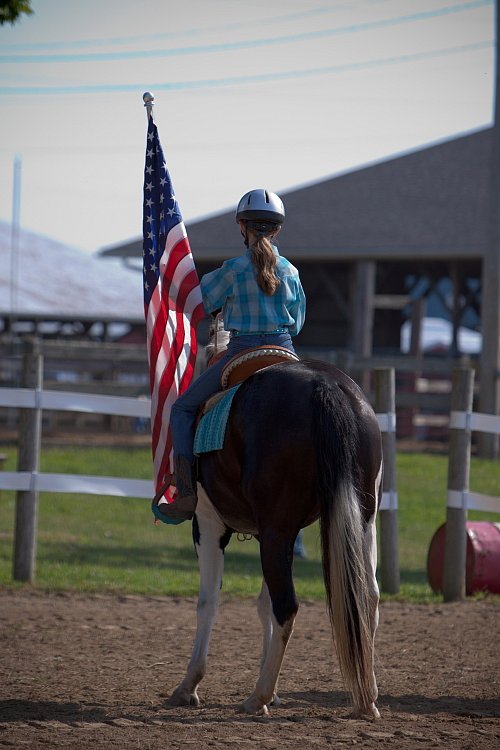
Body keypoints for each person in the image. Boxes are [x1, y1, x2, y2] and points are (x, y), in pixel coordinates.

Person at [162, 188, 306, 522]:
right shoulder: (292, 272)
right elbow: (297, 324)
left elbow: (203, 303)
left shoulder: (232, 270)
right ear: (278, 229)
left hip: (242, 352)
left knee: (182, 409)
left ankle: (186, 492)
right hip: (285, 350)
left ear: (242, 226)